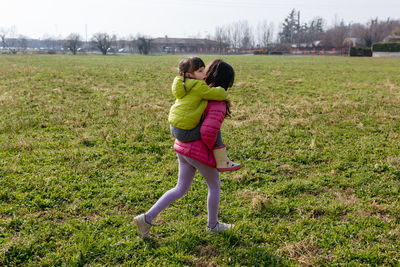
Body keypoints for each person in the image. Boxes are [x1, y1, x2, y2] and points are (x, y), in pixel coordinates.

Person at [134, 59, 238, 238]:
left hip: (181, 147)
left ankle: (146, 218)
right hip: (197, 150)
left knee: (181, 188)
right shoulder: (215, 100)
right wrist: (213, 151)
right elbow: (208, 131)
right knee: (214, 185)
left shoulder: (194, 90)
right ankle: (213, 225)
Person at [168, 57, 241, 172]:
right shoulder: (200, 88)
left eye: (204, 70)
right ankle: (222, 161)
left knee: (181, 187)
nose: (204, 74)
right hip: (186, 134)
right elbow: (208, 131)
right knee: (214, 128)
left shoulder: (184, 85)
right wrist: (222, 91)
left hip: (174, 128)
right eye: (200, 71)